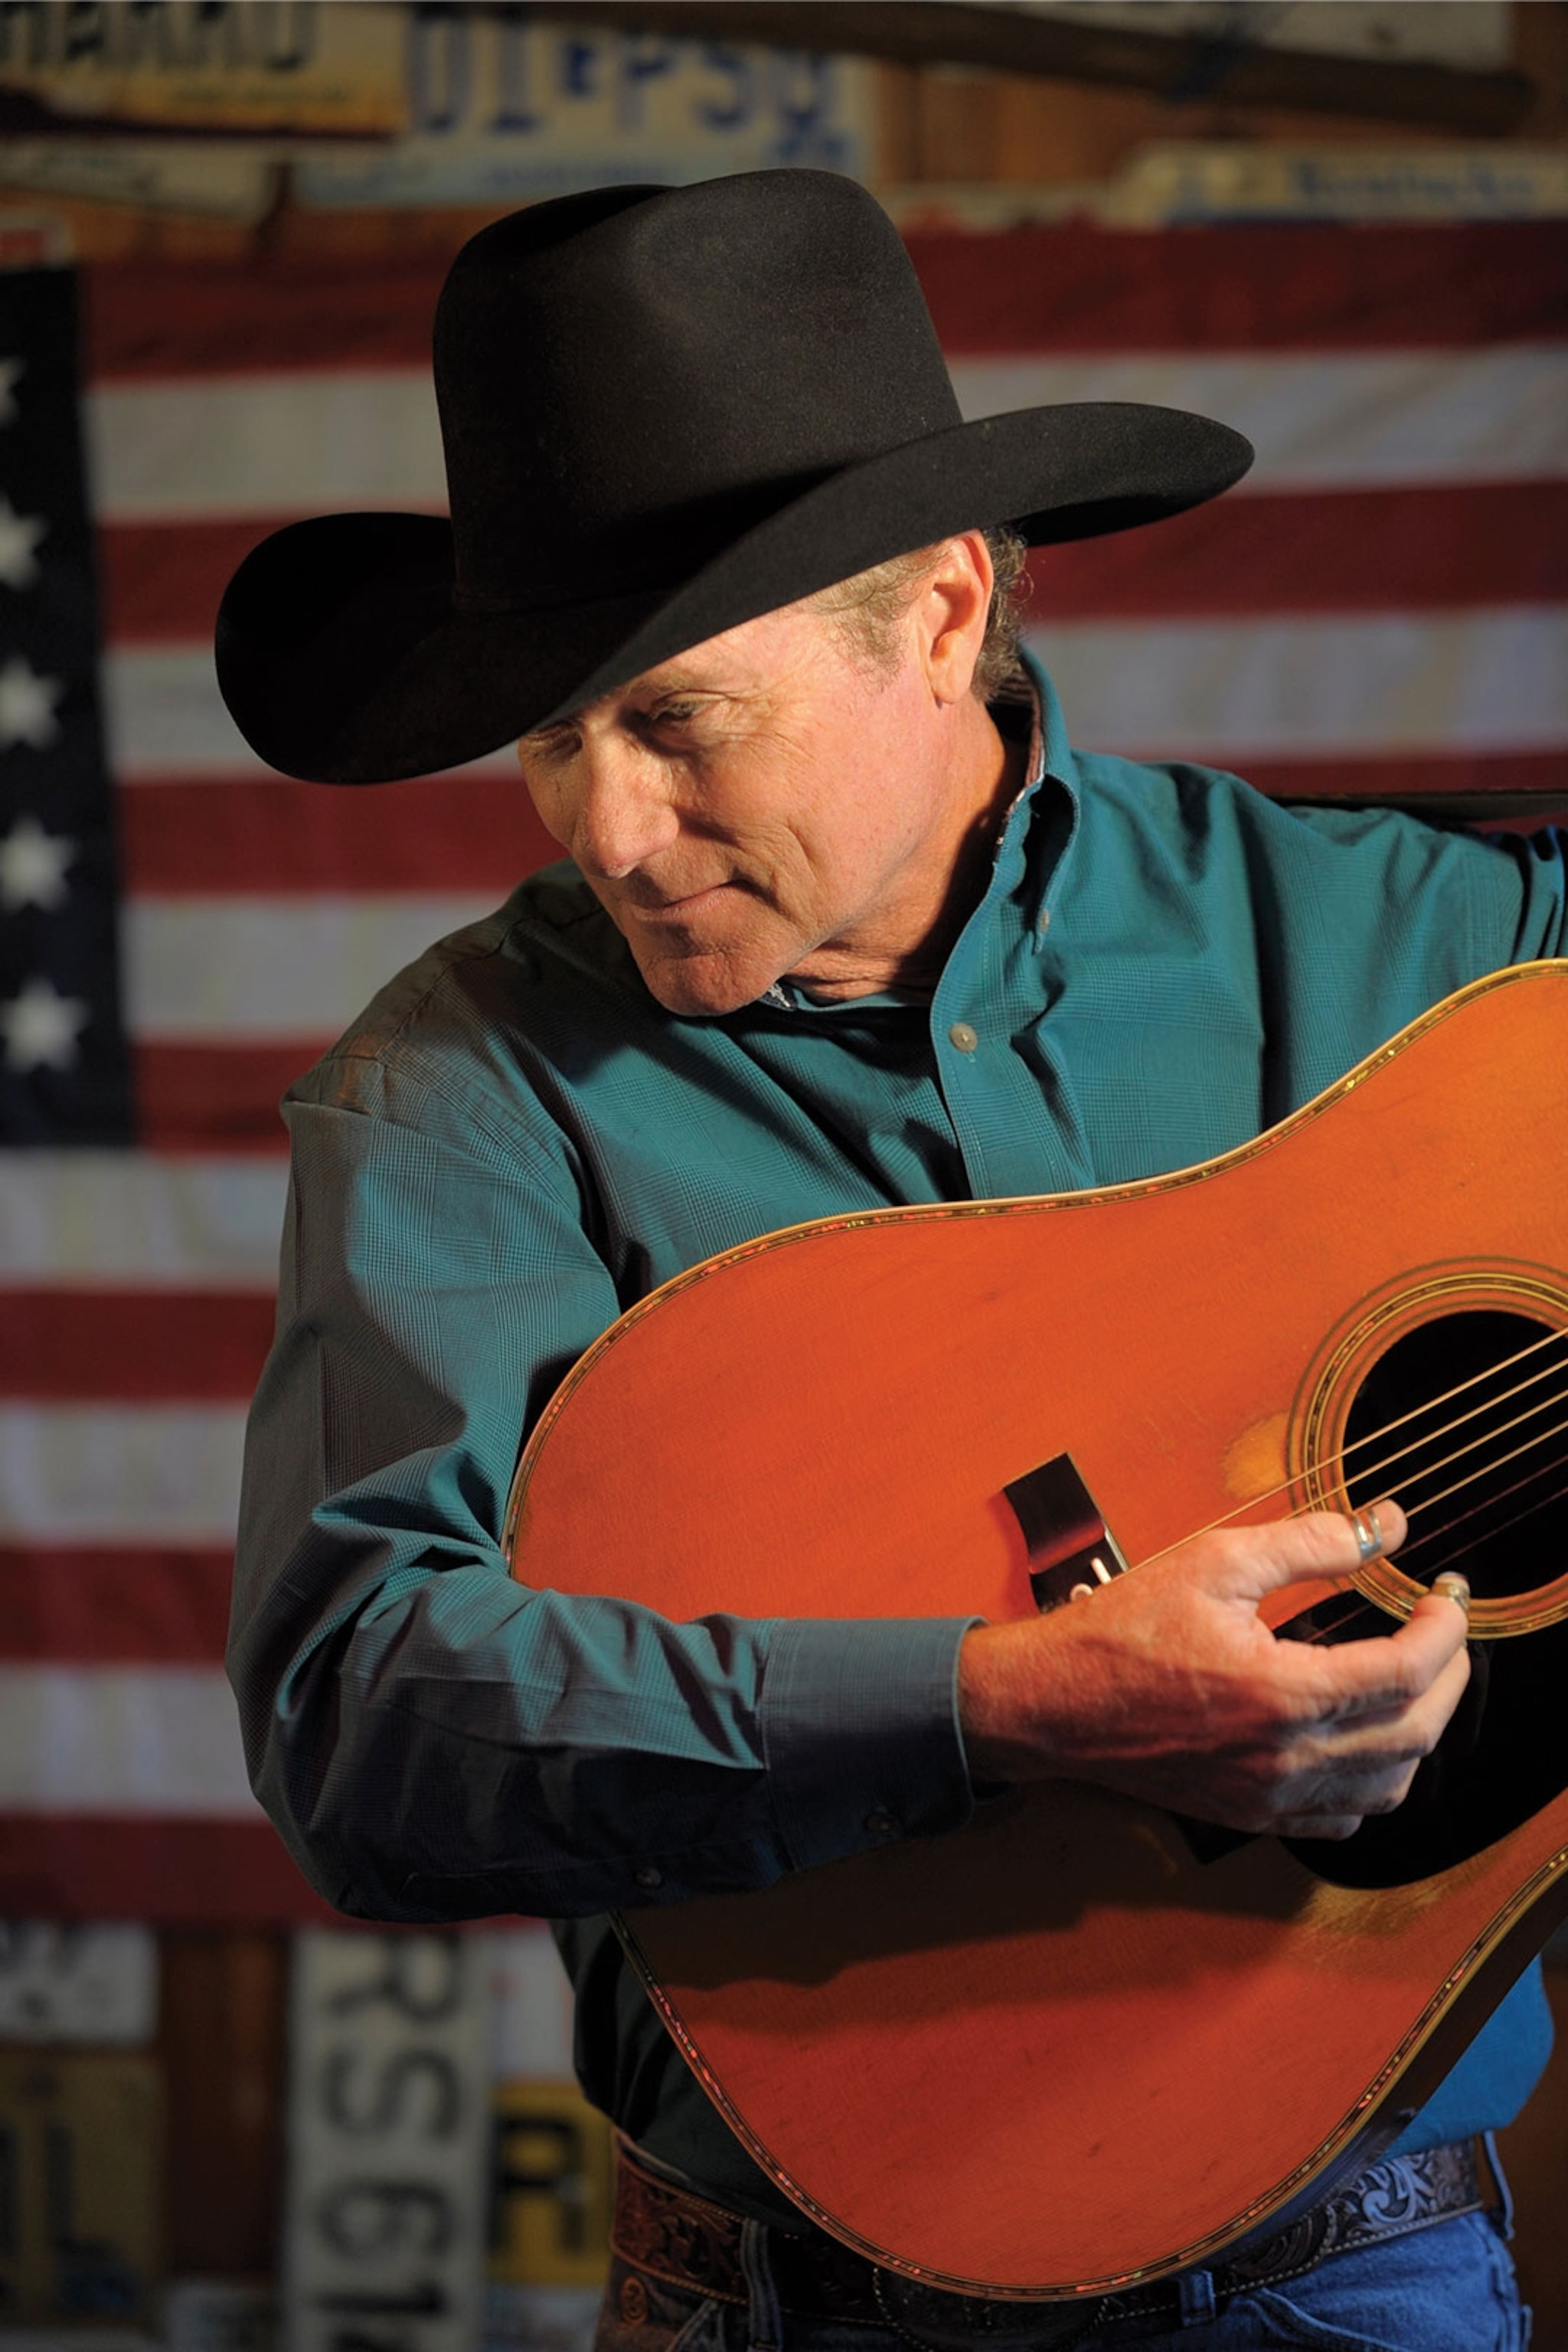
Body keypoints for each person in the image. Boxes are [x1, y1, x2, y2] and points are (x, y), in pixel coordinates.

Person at [218, 173, 1557, 2350]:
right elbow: (361, 1719)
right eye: (551, 734)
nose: (603, 828)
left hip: (1375, 2268)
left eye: (674, 720)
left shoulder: (1445, 955)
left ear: (939, 609)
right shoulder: (460, 1089)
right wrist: (990, 1707)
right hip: (800, 2300)